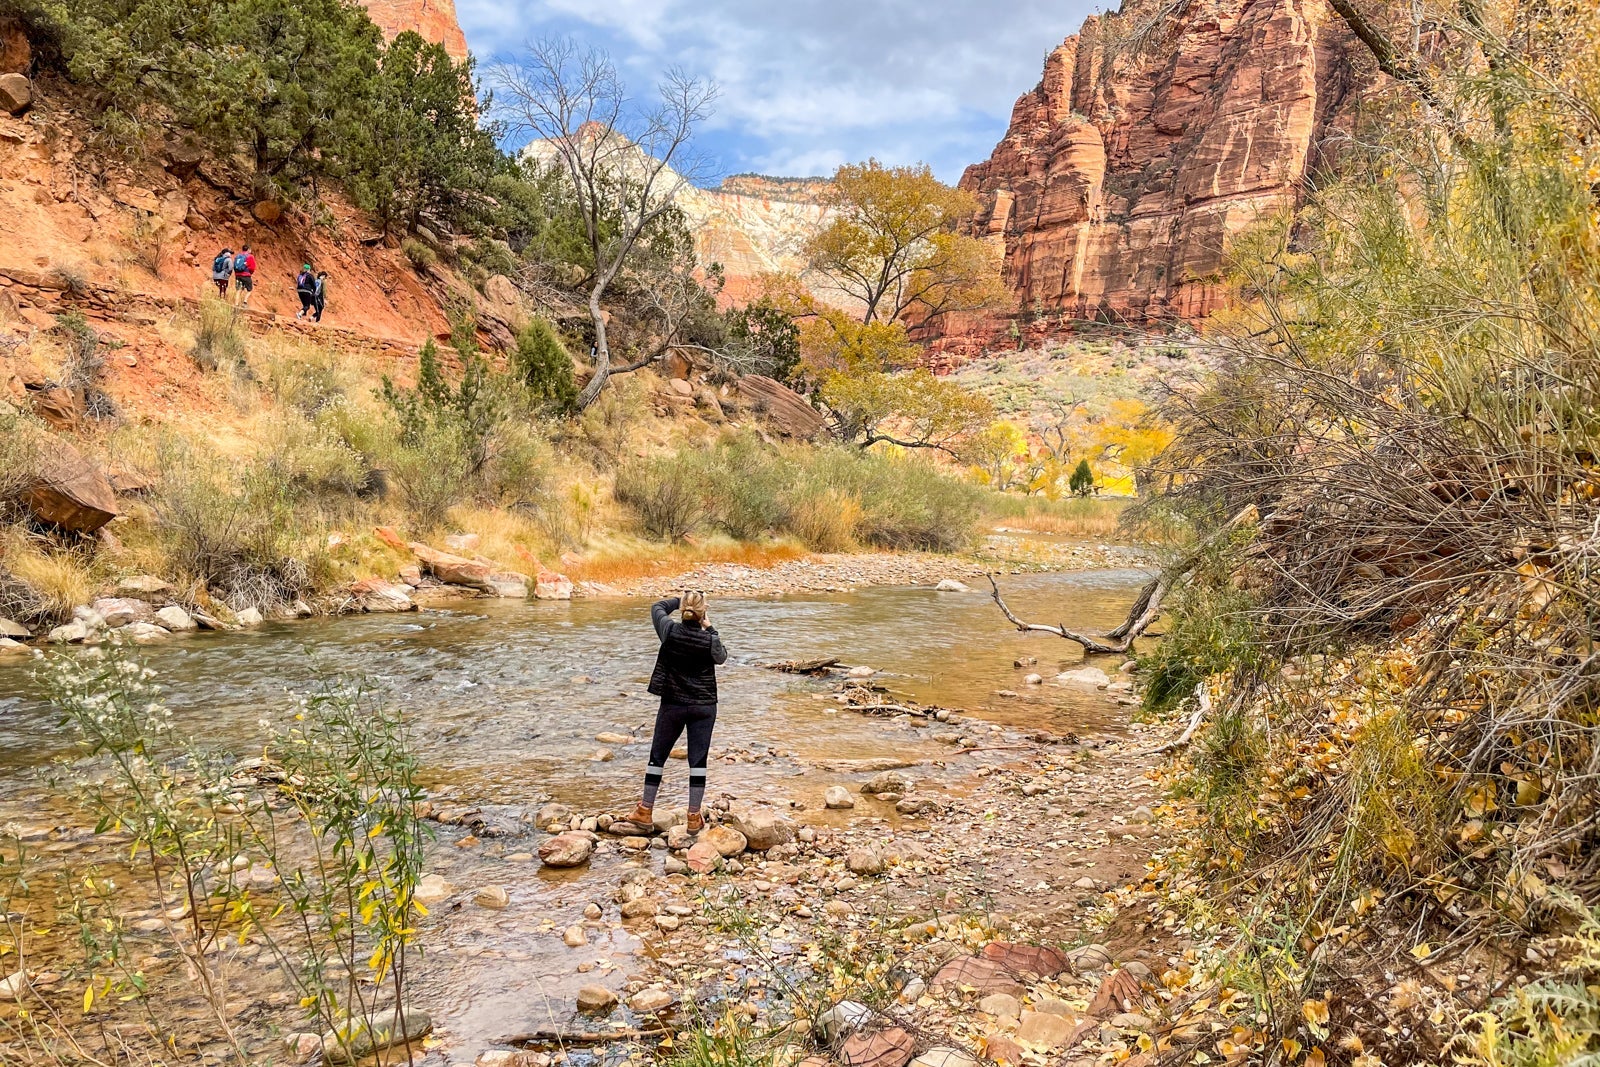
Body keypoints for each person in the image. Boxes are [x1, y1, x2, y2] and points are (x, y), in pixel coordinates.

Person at [623, 592, 727, 833]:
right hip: (704, 706)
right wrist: (710, 628)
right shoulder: (709, 640)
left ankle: (645, 810)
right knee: (698, 761)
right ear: (703, 613)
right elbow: (721, 658)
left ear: (682, 611)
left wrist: (678, 600)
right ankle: (693, 817)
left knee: (657, 756)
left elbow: (657, 606)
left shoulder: (669, 631)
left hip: (673, 704)